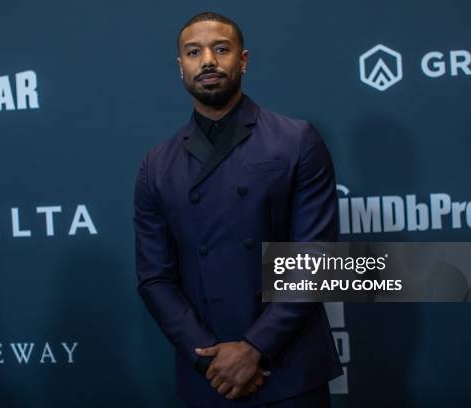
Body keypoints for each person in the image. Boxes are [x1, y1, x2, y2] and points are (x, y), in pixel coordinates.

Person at [134, 11, 342, 407]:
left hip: (288, 367)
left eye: (221, 49)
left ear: (243, 60)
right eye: (194, 52)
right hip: (208, 375)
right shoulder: (156, 165)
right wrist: (211, 358)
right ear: (181, 67)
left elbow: (316, 260)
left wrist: (253, 348)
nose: (208, 60)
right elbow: (154, 280)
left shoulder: (296, 140)